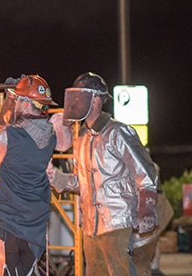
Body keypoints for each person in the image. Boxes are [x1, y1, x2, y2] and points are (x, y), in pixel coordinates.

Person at [49, 72, 159, 276]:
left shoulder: (118, 132)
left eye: (80, 96)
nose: (75, 102)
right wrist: (60, 179)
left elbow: (146, 173)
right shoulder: (81, 137)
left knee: (120, 272)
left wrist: (146, 208)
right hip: (90, 226)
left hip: (117, 221)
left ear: (97, 99)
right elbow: (84, 182)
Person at [0, 75, 57, 276]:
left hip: (7, 222)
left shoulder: (13, 138)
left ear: (24, 103)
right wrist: (10, 100)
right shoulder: (50, 135)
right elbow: (7, 131)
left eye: (17, 100)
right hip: (34, 226)